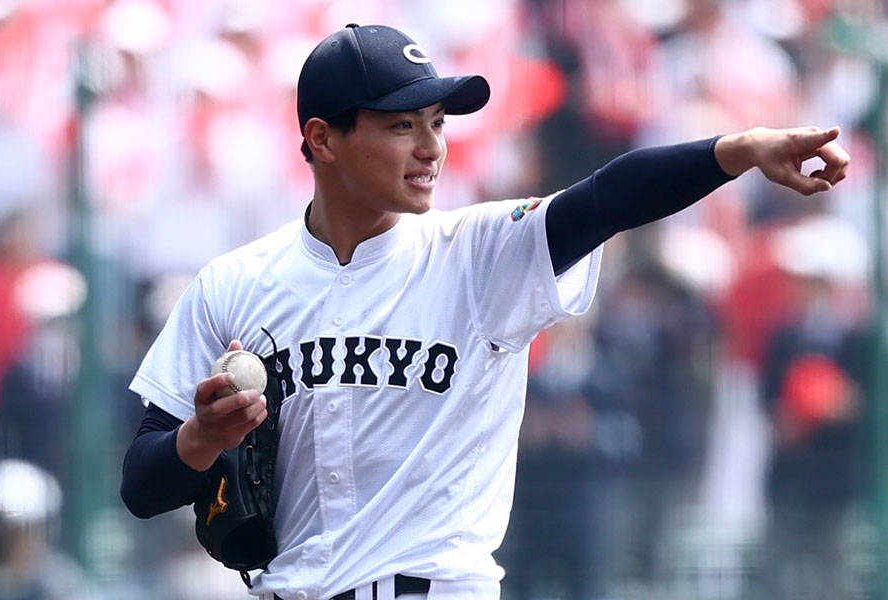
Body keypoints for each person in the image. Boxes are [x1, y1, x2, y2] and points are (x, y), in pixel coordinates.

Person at [120, 23, 850, 600]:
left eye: (437, 122)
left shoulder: (478, 252)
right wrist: (200, 439)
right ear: (322, 138)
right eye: (402, 125)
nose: (432, 147)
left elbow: (608, 198)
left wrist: (735, 151)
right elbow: (141, 484)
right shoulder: (234, 284)